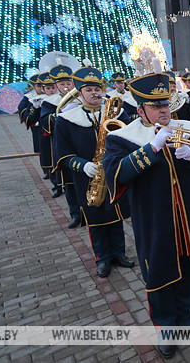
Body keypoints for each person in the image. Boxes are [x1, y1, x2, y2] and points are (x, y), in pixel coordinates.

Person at [102, 66, 190, 358]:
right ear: (141, 109)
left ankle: (186, 319)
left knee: (187, 269)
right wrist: (150, 149)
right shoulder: (123, 137)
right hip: (154, 221)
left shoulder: (185, 128)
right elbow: (115, 175)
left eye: (165, 103)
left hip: (188, 217)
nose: (163, 110)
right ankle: (165, 328)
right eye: (156, 106)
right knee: (158, 274)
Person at [53, 62, 134, 278]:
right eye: (88, 90)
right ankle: (103, 258)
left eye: (97, 89)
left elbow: (131, 135)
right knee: (96, 218)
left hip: (114, 173)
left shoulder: (116, 113)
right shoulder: (65, 120)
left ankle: (119, 253)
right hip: (88, 176)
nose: (94, 93)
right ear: (79, 94)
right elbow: (62, 154)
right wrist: (82, 164)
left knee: (116, 214)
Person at [40, 62, 81, 223]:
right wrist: (60, 115)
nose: (66, 87)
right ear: (56, 86)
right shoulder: (49, 102)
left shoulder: (80, 98)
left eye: (68, 83)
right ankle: (75, 214)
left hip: (81, 143)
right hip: (64, 144)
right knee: (70, 182)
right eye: (62, 84)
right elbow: (45, 122)